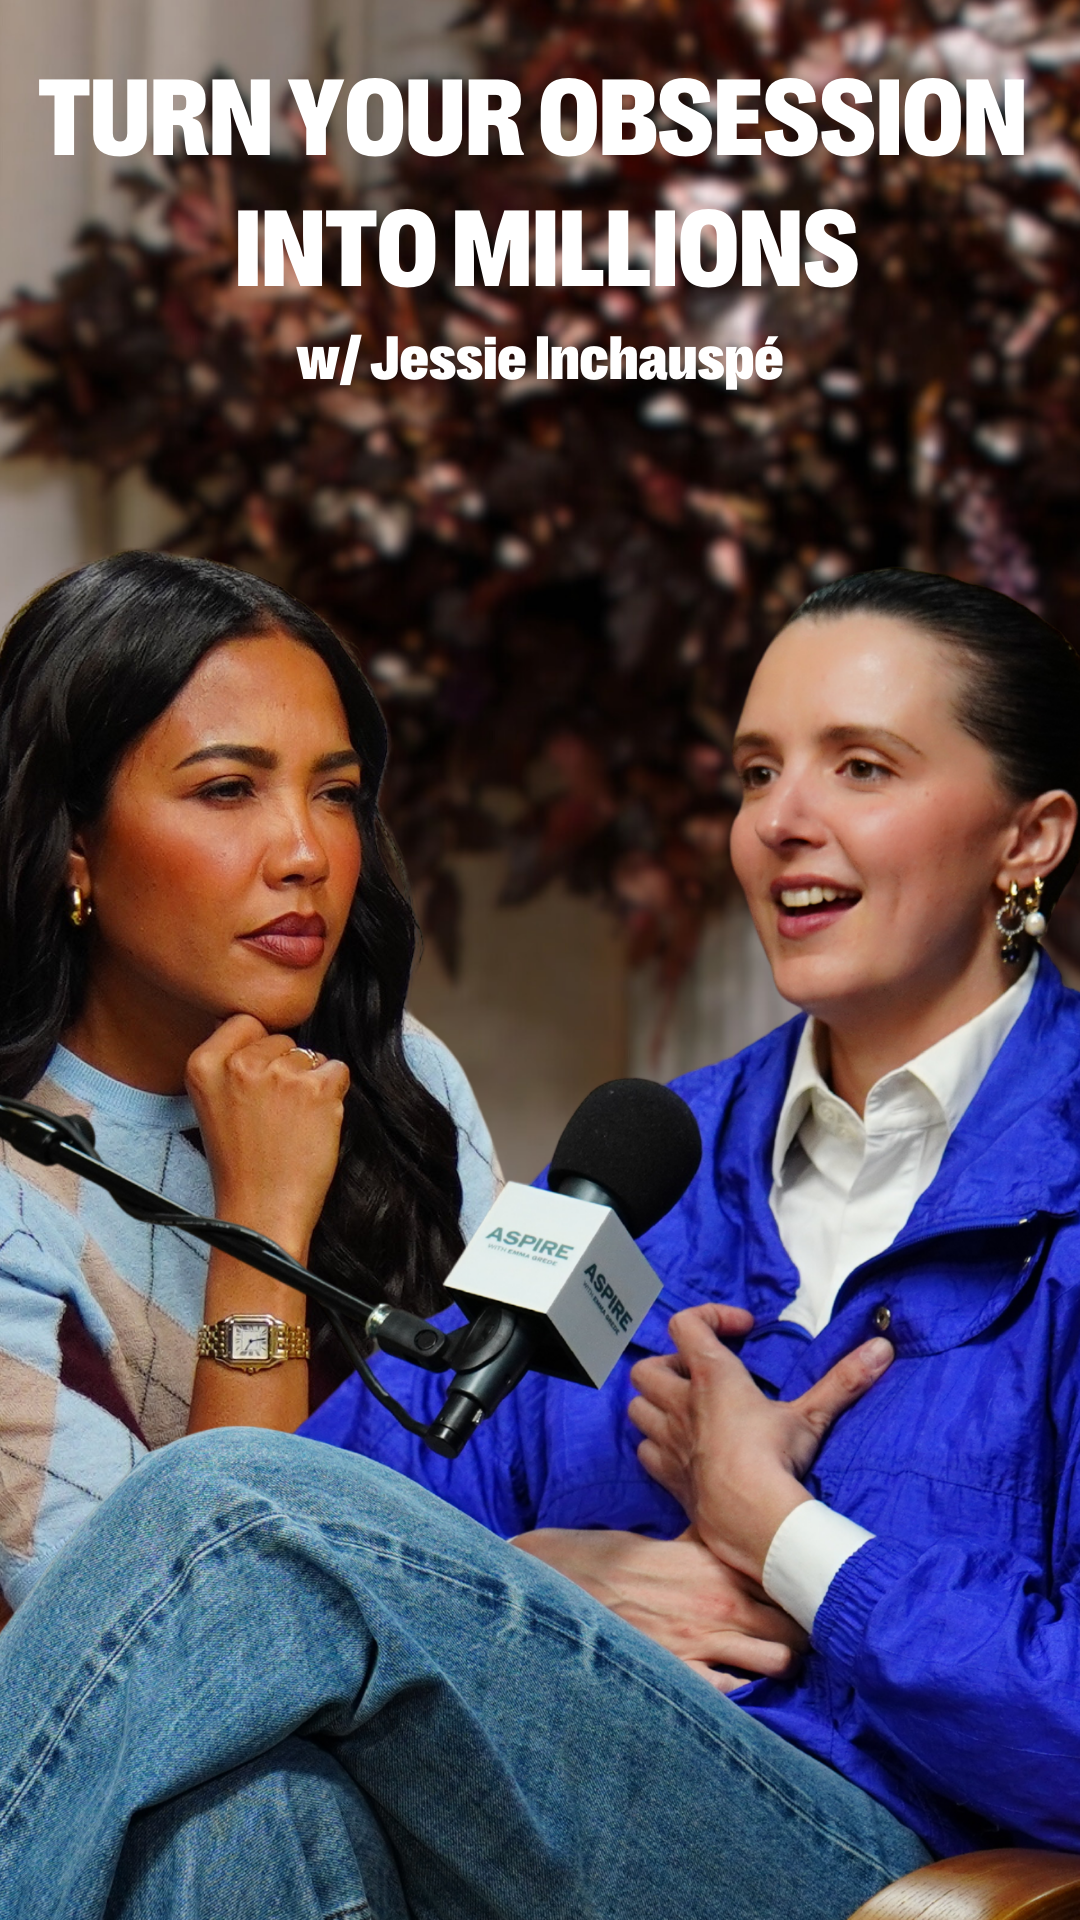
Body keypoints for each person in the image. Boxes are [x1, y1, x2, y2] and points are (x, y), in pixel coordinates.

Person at [1, 565, 1079, 1919]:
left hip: (881, 1865)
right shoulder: (647, 1162)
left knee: (225, 1509)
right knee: (250, 1813)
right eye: (758, 773)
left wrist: (786, 1535)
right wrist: (538, 1583)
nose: (782, 821)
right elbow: (383, 1492)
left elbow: (256, 1522)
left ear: (1029, 838)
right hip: (557, 1834)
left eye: (861, 768)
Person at [0, 549, 500, 1620]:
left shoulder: (398, 1073)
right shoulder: (13, 1197)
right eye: (228, 789)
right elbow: (209, 1642)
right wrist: (263, 1225)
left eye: (336, 794)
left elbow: (530, 1450)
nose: (305, 851)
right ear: (74, 843)